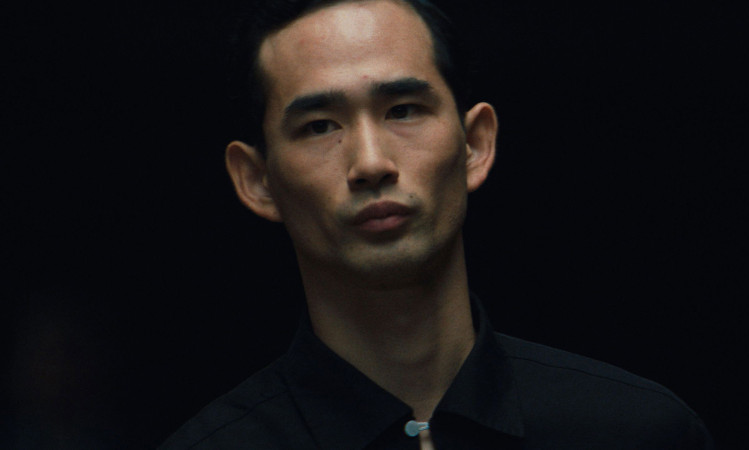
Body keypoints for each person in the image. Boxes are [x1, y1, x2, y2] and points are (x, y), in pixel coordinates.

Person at [161, 0, 714, 448]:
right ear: (257, 180)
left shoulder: (636, 432)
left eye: (403, 110)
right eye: (320, 125)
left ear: (475, 144)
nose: (371, 162)